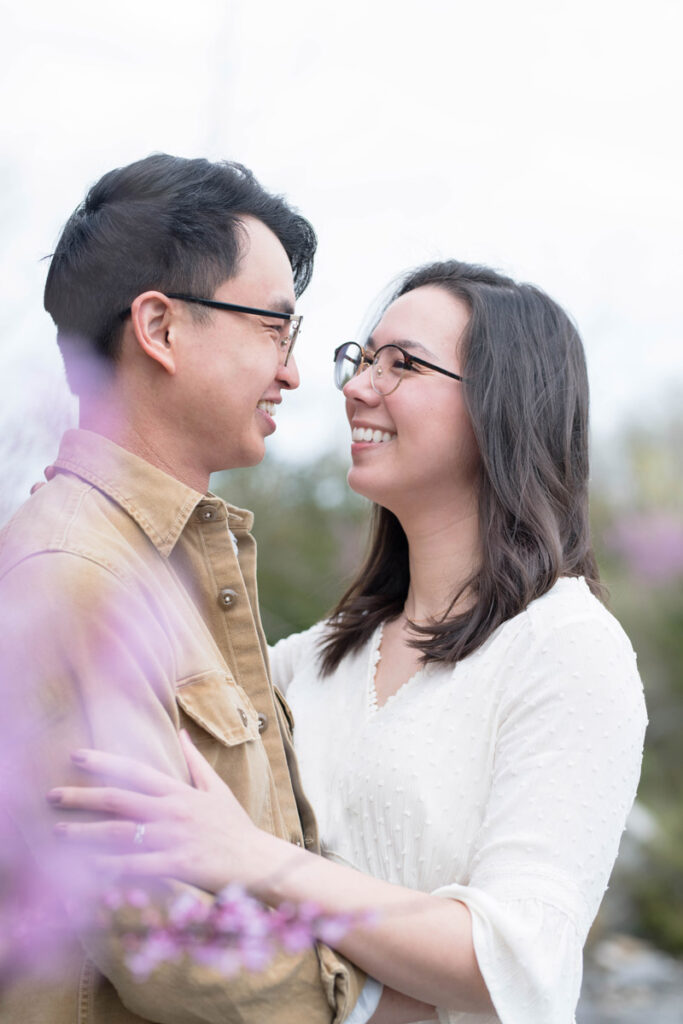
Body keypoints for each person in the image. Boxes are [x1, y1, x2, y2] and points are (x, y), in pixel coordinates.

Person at [48, 259, 648, 1023]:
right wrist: (83, 530)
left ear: (503, 407)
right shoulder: (321, 654)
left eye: (401, 365)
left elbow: (512, 964)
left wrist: (258, 861)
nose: (356, 386)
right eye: (362, 359)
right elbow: (138, 696)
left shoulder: (566, 647)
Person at [0, 152, 413, 1024]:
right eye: (275, 329)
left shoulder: (160, 568)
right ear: (159, 328)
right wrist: (382, 1004)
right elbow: (174, 948)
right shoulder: (77, 577)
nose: (296, 373)